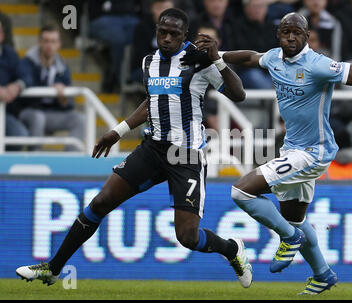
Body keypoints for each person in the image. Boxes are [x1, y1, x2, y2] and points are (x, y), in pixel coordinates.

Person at [16, 8, 252, 288]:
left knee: (187, 237)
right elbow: (153, 102)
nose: (166, 38)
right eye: (162, 32)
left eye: (173, 34)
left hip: (185, 154)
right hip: (152, 149)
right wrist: (117, 132)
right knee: (101, 202)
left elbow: (239, 95)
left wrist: (218, 60)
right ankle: (53, 269)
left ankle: (232, 250)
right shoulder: (149, 62)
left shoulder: (198, 62)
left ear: (184, 36)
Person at [217, 12, 352, 295]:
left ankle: (288, 237)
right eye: (285, 32)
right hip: (293, 149)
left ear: (307, 36)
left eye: (297, 33)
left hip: (312, 152)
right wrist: (216, 55)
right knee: (296, 219)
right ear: (278, 35)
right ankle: (322, 274)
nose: (291, 37)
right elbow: (249, 57)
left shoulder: (318, 64)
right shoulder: (274, 58)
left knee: (241, 192)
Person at [18, 25, 85, 152]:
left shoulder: (63, 66)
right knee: (38, 118)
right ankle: (35, 159)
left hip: (51, 114)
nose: (49, 45)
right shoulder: (26, 62)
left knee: (80, 119)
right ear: (39, 42)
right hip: (28, 112)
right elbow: (26, 87)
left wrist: (63, 99)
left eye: (53, 41)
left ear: (59, 44)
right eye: (46, 41)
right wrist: (51, 89)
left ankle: (69, 162)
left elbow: (69, 104)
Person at [88, 0, 142, 92]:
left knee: (141, 35)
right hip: (105, 18)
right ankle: (118, 75)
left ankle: (117, 72)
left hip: (132, 19)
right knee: (119, 39)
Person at [229, 0, 279, 89]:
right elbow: (242, 56)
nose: (258, 10)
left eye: (261, 6)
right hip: (247, 71)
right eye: (254, 7)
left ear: (266, 8)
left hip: (270, 71)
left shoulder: (273, 28)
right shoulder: (237, 27)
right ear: (246, 9)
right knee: (255, 77)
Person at [129, 0, 174, 84]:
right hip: (144, 69)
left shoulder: (178, 29)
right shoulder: (142, 27)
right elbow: (141, 56)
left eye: (168, 9)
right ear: (152, 9)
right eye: (160, 8)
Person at [0, 20, 28, 150]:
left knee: (20, 135)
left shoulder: (10, 54)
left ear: (2, 35)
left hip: (5, 113)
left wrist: (17, 85)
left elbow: (26, 75)